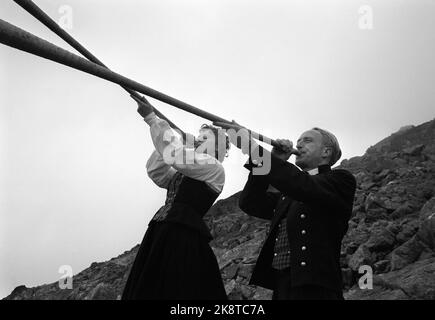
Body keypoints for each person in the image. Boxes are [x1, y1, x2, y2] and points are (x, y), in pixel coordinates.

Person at [215, 123, 356, 300]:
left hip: (317, 287)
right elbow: (250, 202)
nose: (298, 145)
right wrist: (275, 159)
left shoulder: (340, 180)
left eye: (307, 141)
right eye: (298, 141)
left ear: (326, 152)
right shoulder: (287, 195)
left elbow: (301, 184)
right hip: (282, 286)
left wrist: (251, 148)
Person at [121, 99, 230, 300]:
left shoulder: (213, 167)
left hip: (183, 235)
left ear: (219, 147)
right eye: (198, 136)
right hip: (162, 231)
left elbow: (176, 156)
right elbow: (156, 170)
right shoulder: (188, 168)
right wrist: (176, 136)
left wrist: (153, 119)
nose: (198, 139)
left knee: (174, 287)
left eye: (204, 138)